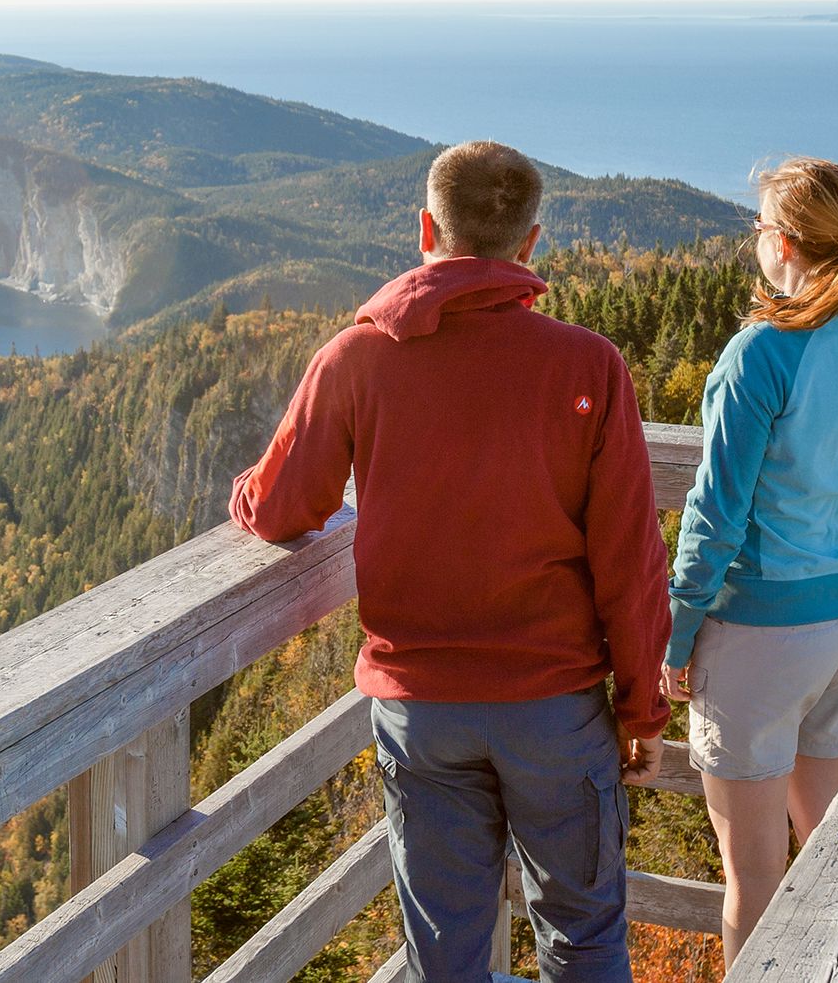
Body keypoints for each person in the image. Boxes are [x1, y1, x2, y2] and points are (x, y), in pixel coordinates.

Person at [230, 140, 670, 983]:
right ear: (531, 245)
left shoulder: (356, 359)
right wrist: (641, 706)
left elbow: (284, 506)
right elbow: (630, 558)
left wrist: (245, 489)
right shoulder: (588, 366)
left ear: (425, 227)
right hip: (556, 705)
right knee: (582, 937)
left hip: (422, 709)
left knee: (448, 952)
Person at [661, 156, 838, 961]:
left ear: (781, 243)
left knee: (755, 878)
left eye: (757, 228)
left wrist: (674, 638)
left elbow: (714, 516)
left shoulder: (760, 355)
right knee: (834, 858)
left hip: (760, 635)